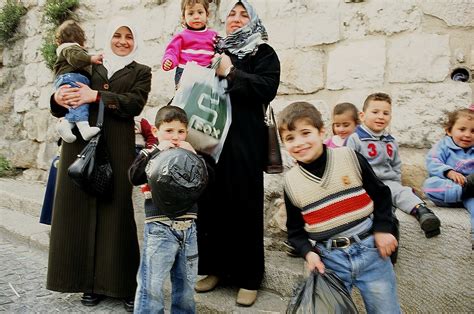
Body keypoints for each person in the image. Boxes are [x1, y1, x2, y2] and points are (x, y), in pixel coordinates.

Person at [46, 17, 152, 312]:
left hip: (117, 147)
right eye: (117, 35)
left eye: (128, 36)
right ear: (108, 37)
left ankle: (122, 285)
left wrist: (98, 96)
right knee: (77, 210)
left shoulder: (141, 71)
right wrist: (57, 97)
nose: (121, 41)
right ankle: (87, 284)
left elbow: (135, 103)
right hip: (79, 146)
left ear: (135, 41)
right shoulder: (88, 64)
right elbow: (62, 88)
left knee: (116, 211)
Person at [194, 0, 280, 307]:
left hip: (245, 142)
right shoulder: (213, 51)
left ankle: (248, 278)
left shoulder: (263, 53)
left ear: (253, 20)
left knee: (245, 207)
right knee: (211, 205)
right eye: (232, 13)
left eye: (244, 14)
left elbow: (267, 88)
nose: (237, 18)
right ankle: (215, 270)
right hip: (211, 141)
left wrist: (232, 73)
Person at [278, 101, 401, 314]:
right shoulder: (291, 183)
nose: (299, 143)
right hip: (329, 260)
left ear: (322, 132)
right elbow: (295, 232)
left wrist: (383, 229)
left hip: (371, 252)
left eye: (306, 133)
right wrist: (309, 254)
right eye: (290, 138)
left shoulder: (349, 157)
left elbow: (381, 194)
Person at [129, 106, 209, 313]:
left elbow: (206, 182)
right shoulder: (150, 153)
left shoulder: (190, 154)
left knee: (186, 286)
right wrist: (156, 150)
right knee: (152, 285)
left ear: (187, 133)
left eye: (181, 132)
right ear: (156, 132)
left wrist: (197, 158)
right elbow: (134, 176)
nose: (175, 137)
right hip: (159, 228)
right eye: (169, 131)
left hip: (188, 227)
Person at [346, 92, 441, 238]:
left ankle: (422, 212)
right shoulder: (355, 138)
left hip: (388, 183)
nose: (381, 116)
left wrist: (396, 184)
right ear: (362, 115)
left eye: (386, 113)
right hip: (365, 184)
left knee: (402, 192)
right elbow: (348, 165)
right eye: (375, 112)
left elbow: (396, 165)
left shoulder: (391, 141)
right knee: (380, 208)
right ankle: (387, 229)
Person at [423, 106, 474, 248]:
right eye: (462, 129)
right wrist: (449, 172)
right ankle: (465, 189)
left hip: (470, 196)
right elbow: (432, 162)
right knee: (429, 185)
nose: (468, 135)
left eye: (473, 131)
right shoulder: (443, 146)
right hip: (449, 190)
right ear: (449, 130)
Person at [53, 20, 103, 143]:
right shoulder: (70, 49)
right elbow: (76, 59)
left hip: (68, 79)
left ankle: (66, 124)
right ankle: (84, 128)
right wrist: (91, 58)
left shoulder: (65, 50)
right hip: (72, 78)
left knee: (74, 103)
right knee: (79, 101)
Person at [162, 0, 218, 85]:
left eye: (200, 12)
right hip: (185, 73)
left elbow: (220, 52)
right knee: (184, 97)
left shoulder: (213, 36)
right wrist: (169, 60)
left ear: (207, 14)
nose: (196, 17)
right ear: (184, 17)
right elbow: (172, 51)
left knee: (204, 96)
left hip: (206, 73)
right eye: (191, 13)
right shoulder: (182, 36)